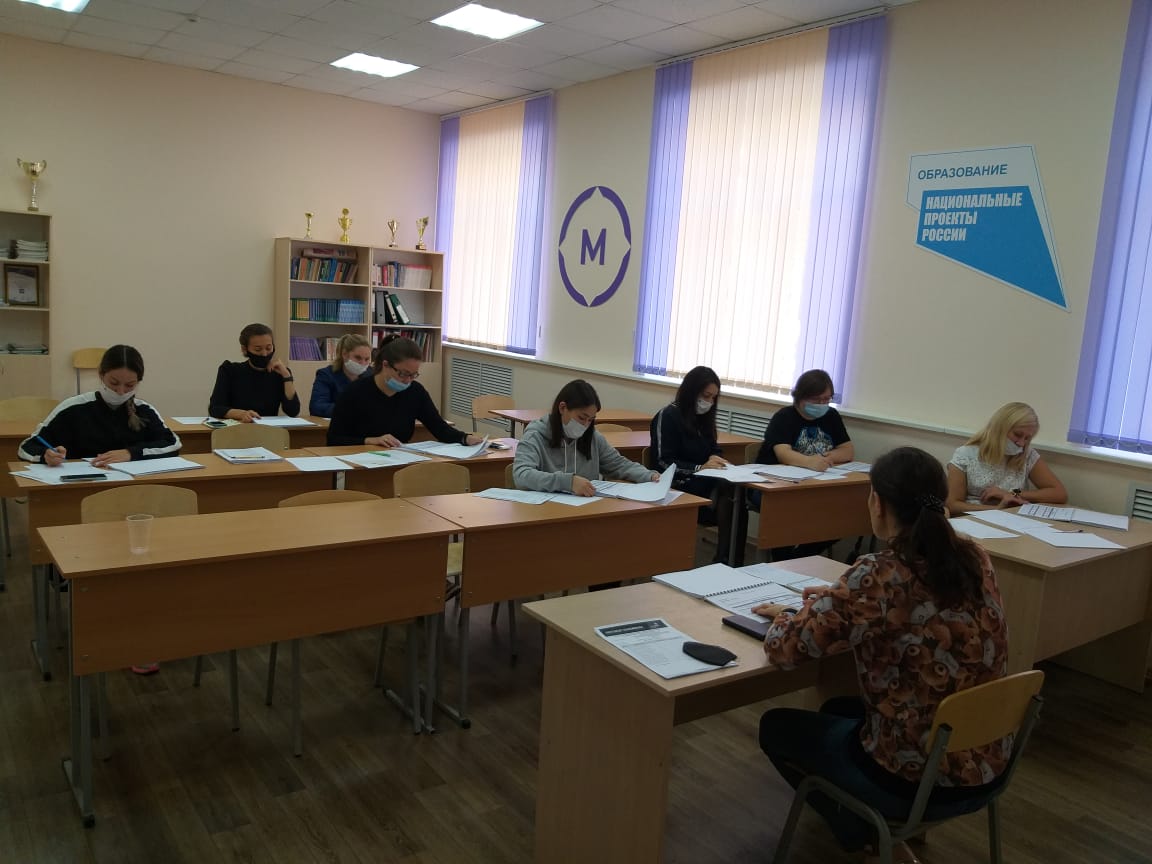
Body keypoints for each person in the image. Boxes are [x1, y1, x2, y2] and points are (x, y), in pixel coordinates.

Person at [752, 447, 1009, 864]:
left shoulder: (879, 574)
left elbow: (785, 648)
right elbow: (911, 611)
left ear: (878, 503)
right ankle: (881, 832)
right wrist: (839, 599)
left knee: (776, 726)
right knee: (836, 707)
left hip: (914, 776)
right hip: (985, 759)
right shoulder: (974, 558)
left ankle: (872, 838)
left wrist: (792, 612)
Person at [19, 344, 181, 466]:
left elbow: (172, 444)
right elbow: (26, 447)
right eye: (114, 383)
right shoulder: (72, 408)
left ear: (138, 382)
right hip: (82, 485)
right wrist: (45, 455)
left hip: (133, 487)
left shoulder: (144, 411)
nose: (120, 391)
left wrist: (131, 453)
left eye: (129, 385)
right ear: (101, 375)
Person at [755, 368, 854, 559]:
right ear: (801, 397)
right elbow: (783, 454)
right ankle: (783, 561)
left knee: (844, 515)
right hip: (773, 485)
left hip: (815, 483)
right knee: (786, 514)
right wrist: (810, 461)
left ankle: (799, 557)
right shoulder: (784, 417)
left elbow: (848, 450)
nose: (823, 404)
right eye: (817, 400)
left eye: (827, 399)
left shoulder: (831, 416)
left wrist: (829, 457)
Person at [650, 366, 742, 563]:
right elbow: (662, 462)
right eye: (706, 396)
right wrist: (699, 468)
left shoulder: (704, 419)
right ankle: (726, 558)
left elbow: (714, 448)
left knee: (736, 492)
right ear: (691, 391)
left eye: (713, 398)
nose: (709, 402)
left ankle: (730, 558)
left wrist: (717, 459)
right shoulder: (668, 416)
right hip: (677, 484)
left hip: (704, 480)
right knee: (728, 494)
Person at [327, 335, 483, 447]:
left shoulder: (415, 392)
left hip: (399, 459)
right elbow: (334, 439)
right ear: (385, 365)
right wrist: (369, 440)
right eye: (403, 374)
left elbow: (439, 428)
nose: (408, 380)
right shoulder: (354, 392)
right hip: (359, 460)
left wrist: (465, 438)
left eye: (413, 375)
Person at [514, 379, 659, 496]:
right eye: (582, 418)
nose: (585, 425)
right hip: (545, 511)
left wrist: (649, 476)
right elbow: (521, 475)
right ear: (563, 408)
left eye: (590, 420)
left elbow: (619, 465)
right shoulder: (535, 435)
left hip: (584, 509)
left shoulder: (593, 438)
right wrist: (568, 482)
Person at [946, 402, 1067, 514]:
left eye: (1027, 438)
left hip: (1013, 518)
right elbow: (952, 504)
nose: (1021, 443)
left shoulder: (1027, 455)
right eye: (1017, 435)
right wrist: (997, 510)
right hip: (975, 517)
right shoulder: (965, 455)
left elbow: (1059, 494)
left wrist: (1012, 493)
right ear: (999, 429)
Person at [209, 323, 300, 422]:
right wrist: (241, 414)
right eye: (258, 349)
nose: (264, 354)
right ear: (244, 349)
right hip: (238, 427)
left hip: (268, 429)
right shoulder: (229, 370)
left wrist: (287, 376)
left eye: (268, 348)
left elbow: (293, 411)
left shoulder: (280, 373)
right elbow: (215, 408)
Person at [309, 333, 371, 418]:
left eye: (367, 359)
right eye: (358, 358)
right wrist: (351, 410)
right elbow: (317, 407)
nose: (363, 363)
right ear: (344, 354)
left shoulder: (372, 375)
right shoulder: (326, 375)